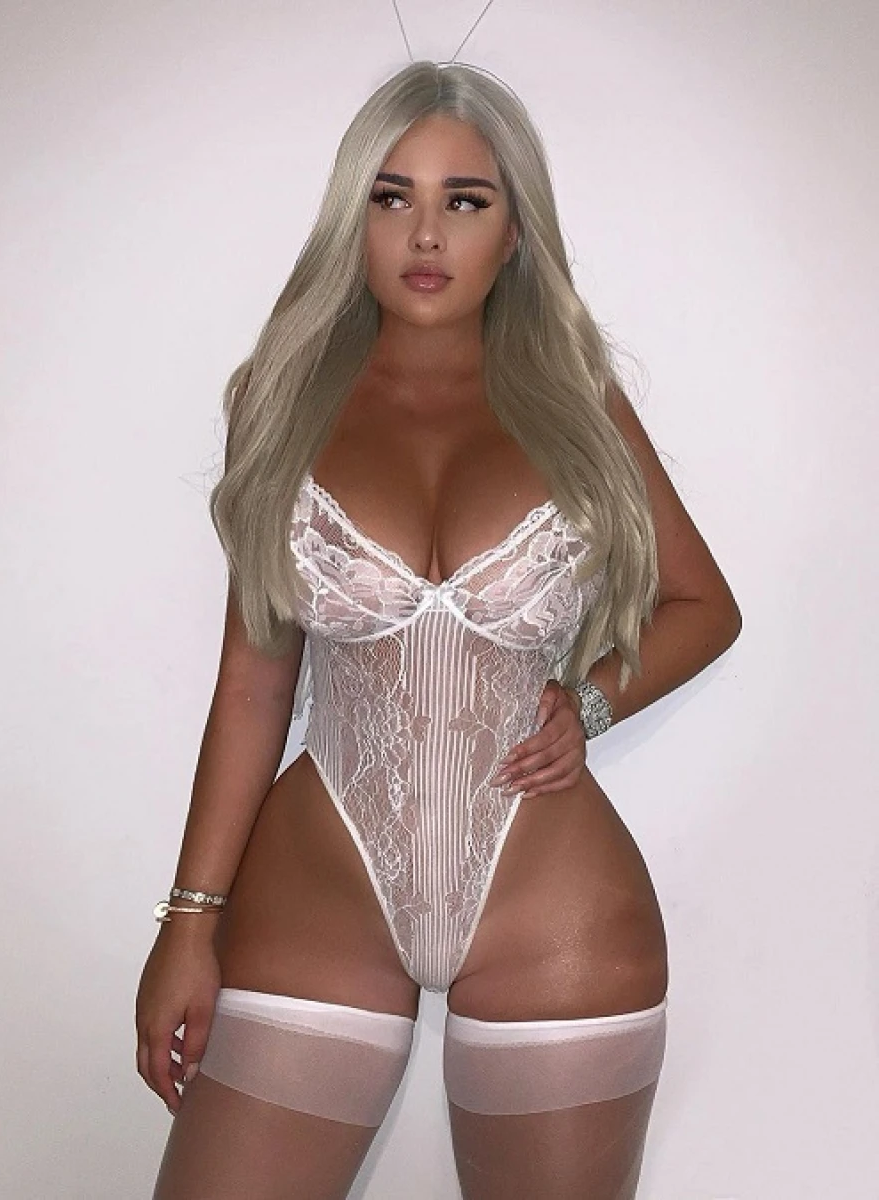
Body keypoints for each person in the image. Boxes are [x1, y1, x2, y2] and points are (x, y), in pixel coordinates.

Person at [137, 60, 741, 1199]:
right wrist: (187, 923)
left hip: (554, 904)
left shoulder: (579, 402)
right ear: (353, 217)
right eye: (391, 195)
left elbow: (705, 607)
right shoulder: (282, 398)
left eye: (465, 200)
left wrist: (592, 700)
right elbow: (254, 681)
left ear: (513, 232)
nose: (425, 233)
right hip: (319, 890)